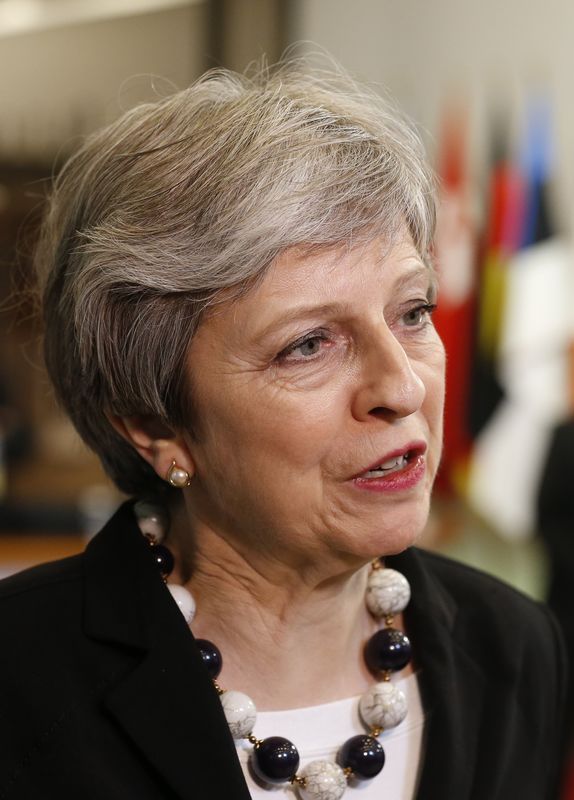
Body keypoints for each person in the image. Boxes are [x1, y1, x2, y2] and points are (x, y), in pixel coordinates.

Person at [0, 62, 565, 800]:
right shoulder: (18, 678)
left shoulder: (517, 647)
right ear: (153, 423)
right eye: (308, 344)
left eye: (413, 313)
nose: (402, 387)